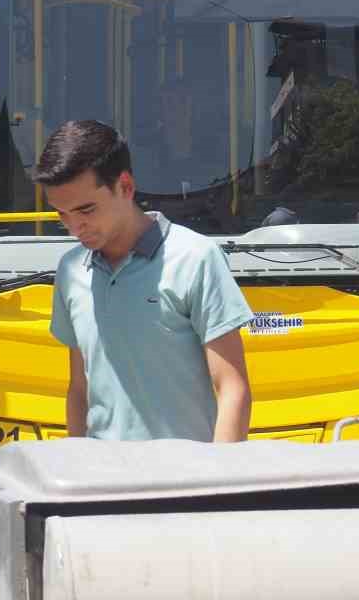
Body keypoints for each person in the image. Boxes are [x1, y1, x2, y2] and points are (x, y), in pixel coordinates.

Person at [37, 121, 254, 443]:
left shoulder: (196, 258)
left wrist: (217, 484)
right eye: (62, 214)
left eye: (86, 209)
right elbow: (79, 390)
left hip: (186, 483)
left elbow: (233, 388)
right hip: (100, 483)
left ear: (125, 186)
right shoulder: (71, 271)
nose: (74, 227)